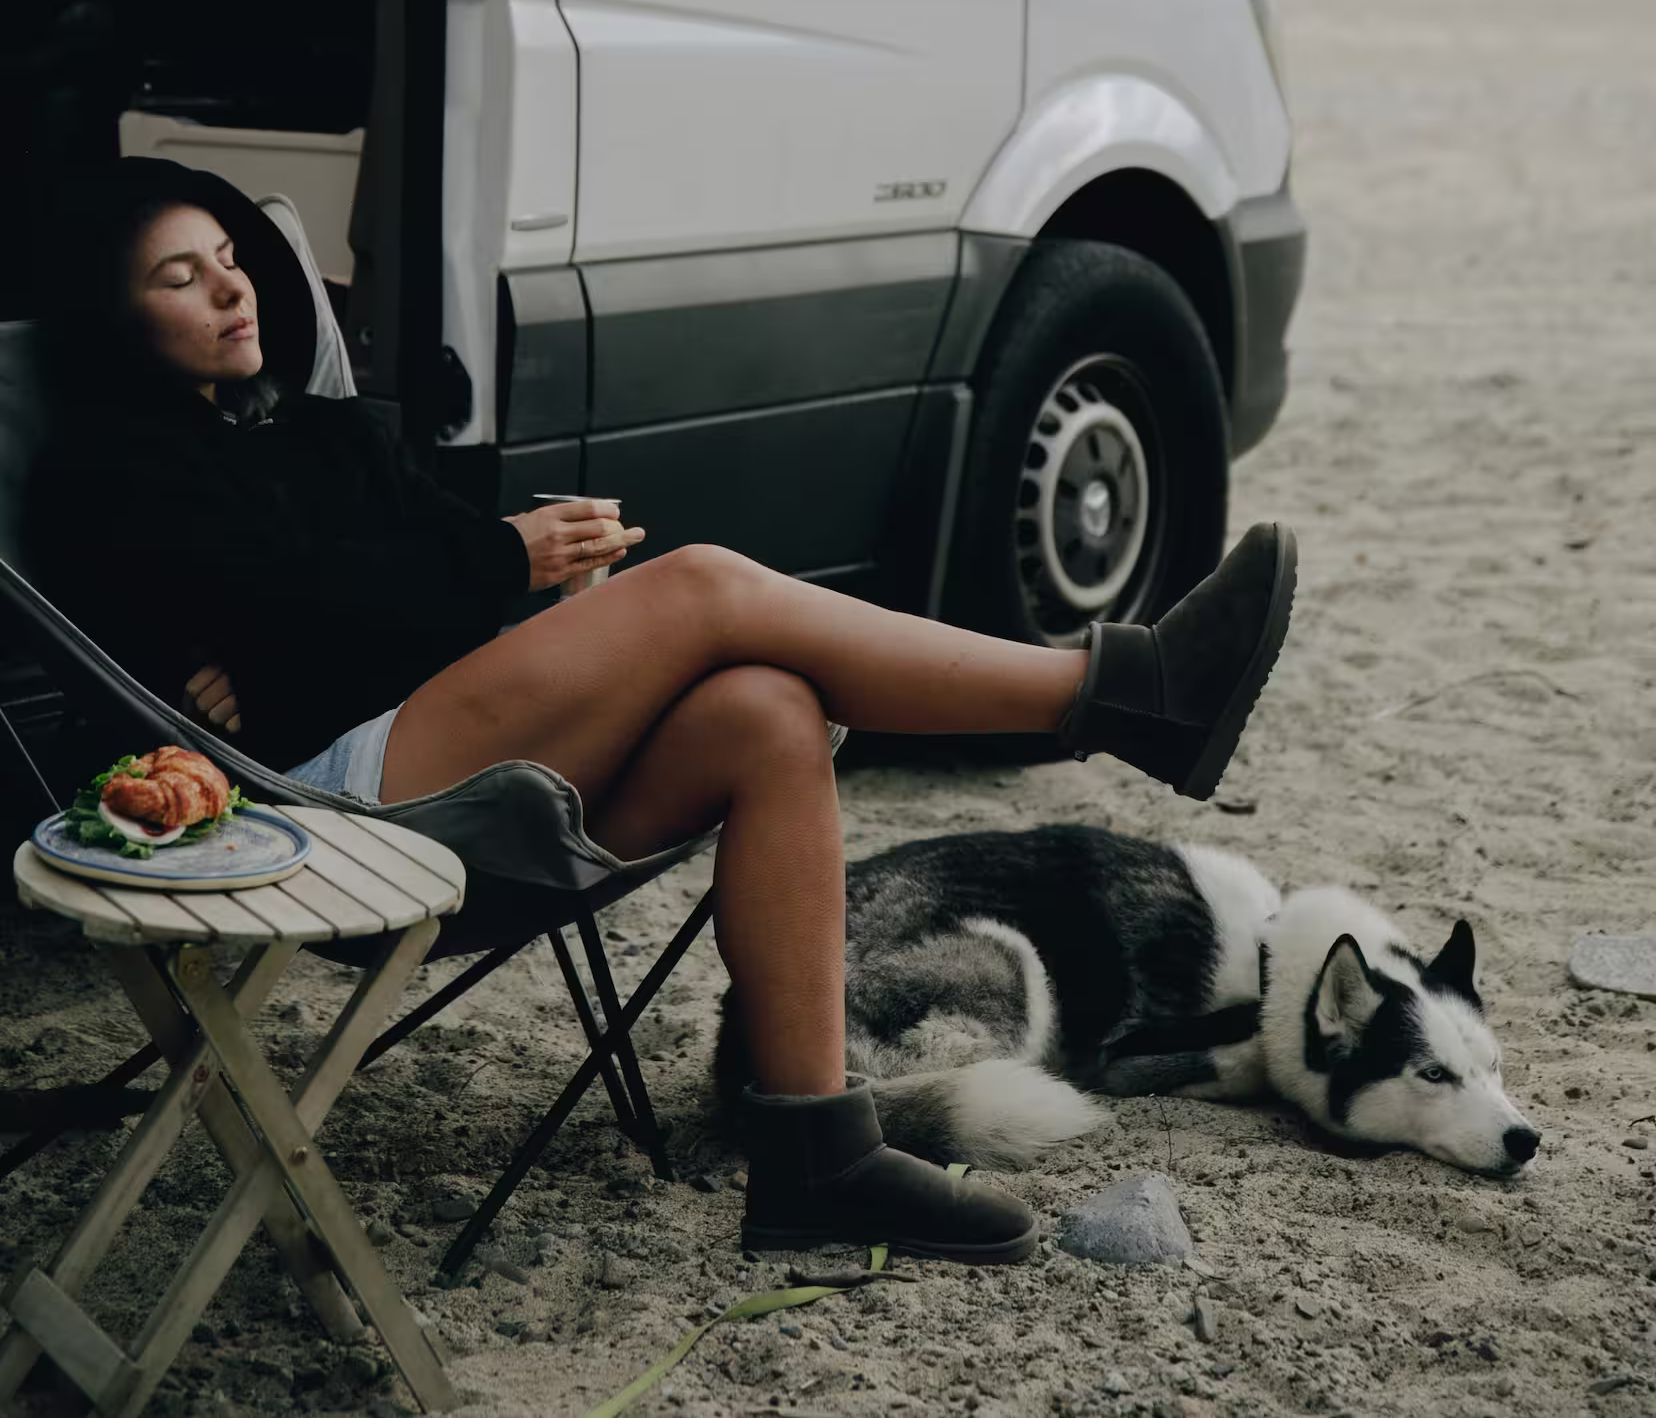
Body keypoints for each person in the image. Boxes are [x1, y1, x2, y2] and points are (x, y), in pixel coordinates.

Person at [25, 158, 1297, 1264]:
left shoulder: (319, 437)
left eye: (231, 258)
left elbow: (374, 599)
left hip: (432, 742)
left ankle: (815, 1154)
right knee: (700, 588)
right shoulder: (117, 472)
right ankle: (1116, 694)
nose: (233, 288)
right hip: (330, 808)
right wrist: (459, 576)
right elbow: (289, 607)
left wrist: (490, 582)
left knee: (766, 707)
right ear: (115, 321)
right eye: (179, 279)